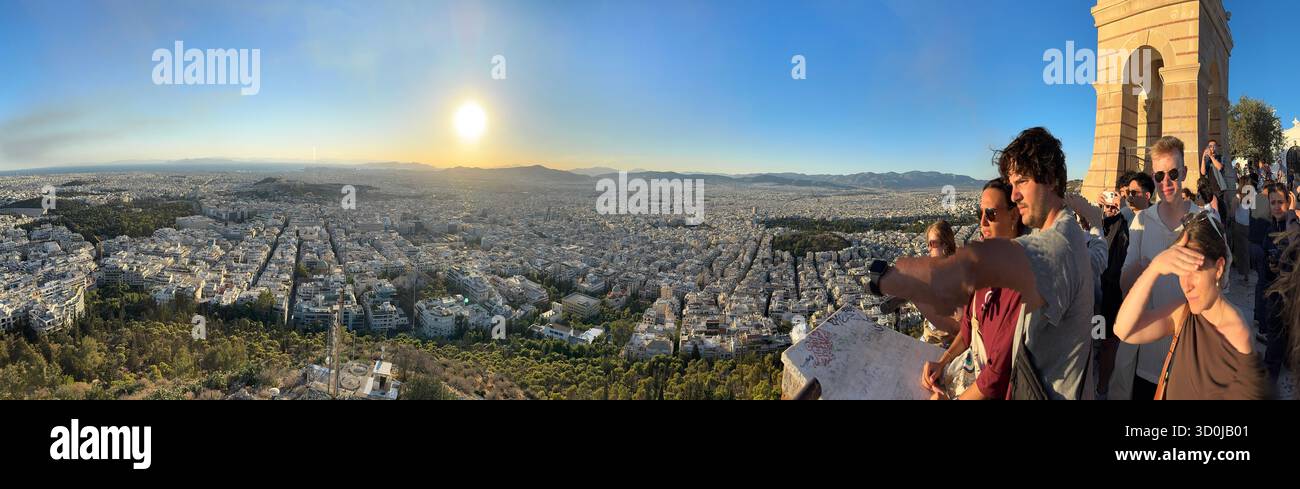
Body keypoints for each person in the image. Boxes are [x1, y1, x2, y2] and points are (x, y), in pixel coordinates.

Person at [873, 127, 1093, 400]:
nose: (1015, 195)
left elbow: (961, 275)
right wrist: (944, 362)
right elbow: (971, 325)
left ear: (1049, 178)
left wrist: (886, 279)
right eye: (1011, 185)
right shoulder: (1065, 231)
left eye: (1021, 181)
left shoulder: (1054, 246)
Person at [1114, 211, 1271, 399]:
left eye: (1195, 271)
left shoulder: (1237, 337)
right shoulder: (1184, 313)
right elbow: (1124, 330)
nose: (1186, 285)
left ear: (1219, 268)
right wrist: (1153, 269)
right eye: (1182, 272)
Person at [1112, 136, 1209, 401]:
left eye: (1173, 174)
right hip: (1149, 356)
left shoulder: (1207, 220)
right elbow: (1124, 285)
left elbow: (1222, 286)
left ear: (1185, 173)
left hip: (1191, 353)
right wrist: (1152, 266)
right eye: (1159, 176)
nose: (1166, 183)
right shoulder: (1142, 221)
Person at [919, 179, 1025, 399]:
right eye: (980, 214)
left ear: (1014, 216)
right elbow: (969, 327)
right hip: (972, 378)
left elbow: (997, 375)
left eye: (991, 214)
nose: (983, 222)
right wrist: (942, 361)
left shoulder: (1019, 282)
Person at [1255, 183, 1300, 380]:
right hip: (1273, 291)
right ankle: (1271, 370)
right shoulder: (1268, 228)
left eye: (1280, 202)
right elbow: (1265, 257)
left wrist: (1292, 213)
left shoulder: (1294, 225)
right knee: (1275, 332)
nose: (1276, 207)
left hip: (1292, 292)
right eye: (1273, 202)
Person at [919, 220, 959, 347]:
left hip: (943, 346)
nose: (929, 248)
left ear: (945, 245)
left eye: (932, 243)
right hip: (930, 340)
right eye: (928, 244)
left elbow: (960, 317)